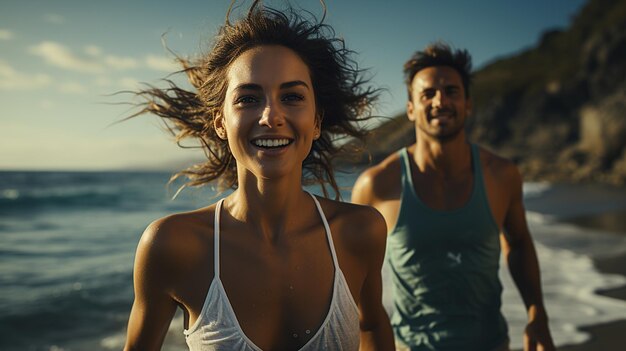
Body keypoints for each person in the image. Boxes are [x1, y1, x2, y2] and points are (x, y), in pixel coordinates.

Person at [123, 2, 394, 351]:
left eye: (292, 96)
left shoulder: (359, 232)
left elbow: (372, 325)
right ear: (220, 122)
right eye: (249, 98)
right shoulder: (172, 245)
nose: (271, 115)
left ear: (316, 122)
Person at [352, 42, 555, 351]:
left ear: (468, 104)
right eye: (428, 94)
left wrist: (537, 313)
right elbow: (354, 285)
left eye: (451, 91)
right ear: (410, 108)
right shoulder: (376, 185)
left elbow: (519, 242)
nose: (440, 100)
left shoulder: (502, 176)